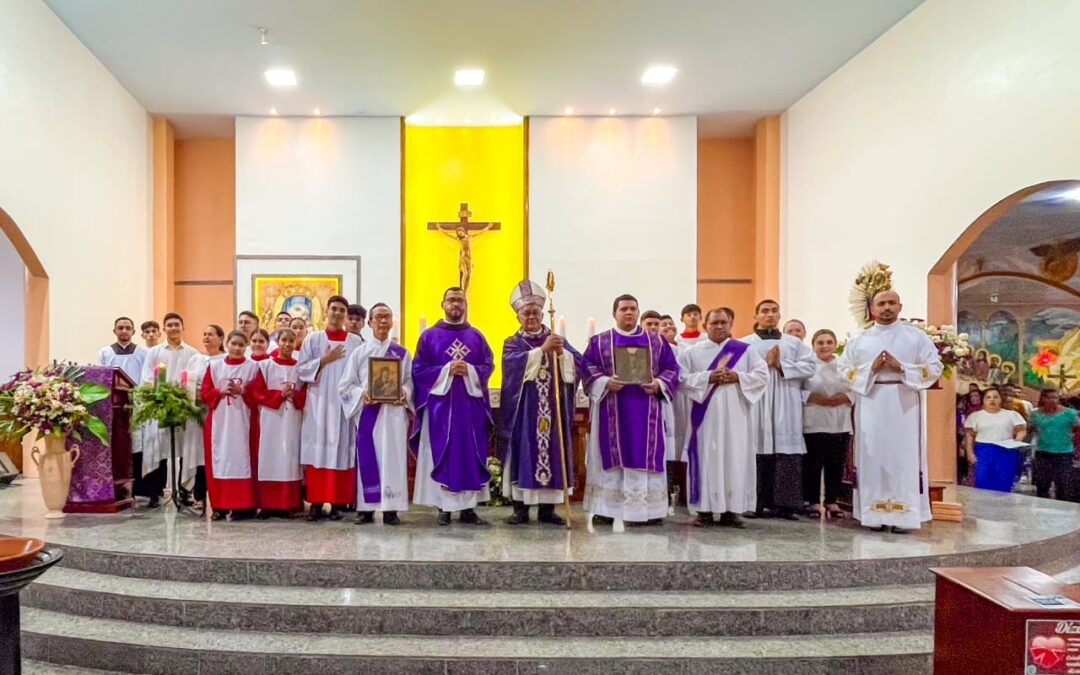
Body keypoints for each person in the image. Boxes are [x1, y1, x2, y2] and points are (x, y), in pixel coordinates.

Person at [838, 290, 943, 533]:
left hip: (904, 403)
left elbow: (934, 367)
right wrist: (870, 368)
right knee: (872, 455)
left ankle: (903, 517)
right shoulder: (860, 339)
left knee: (903, 458)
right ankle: (873, 515)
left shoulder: (916, 337)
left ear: (900, 306)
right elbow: (844, 371)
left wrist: (902, 367)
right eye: (881, 303)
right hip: (871, 401)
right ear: (872, 309)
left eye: (891, 303)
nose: (887, 308)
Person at [582, 294, 679, 529]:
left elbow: (672, 368)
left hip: (646, 409)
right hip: (611, 408)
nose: (628, 313)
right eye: (623, 309)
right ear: (614, 313)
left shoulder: (656, 341)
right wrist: (604, 381)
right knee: (611, 457)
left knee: (644, 454)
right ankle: (606, 510)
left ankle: (649, 510)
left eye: (633, 309)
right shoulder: (600, 341)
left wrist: (659, 384)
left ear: (638, 313)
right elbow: (586, 366)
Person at [499, 280, 581, 526]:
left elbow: (578, 364)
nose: (531, 316)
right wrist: (540, 351)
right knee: (524, 452)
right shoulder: (512, 342)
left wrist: (562, 355)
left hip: (552, 412)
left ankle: (547, 509)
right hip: (524, 411)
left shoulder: (557, 339)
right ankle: (520, 509)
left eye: (535, 312)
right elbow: (511, 368)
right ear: (518, 316)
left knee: (552, 452)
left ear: (542, 314)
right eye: (526, 313)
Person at [411, 287, 495, 526]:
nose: (456, 304)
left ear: (465, 304)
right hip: (440, 409)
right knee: (443, 453)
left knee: (470, 454)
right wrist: (448, 369)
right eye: (451, 300)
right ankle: (443, 508)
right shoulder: (429, 336)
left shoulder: (476, 336)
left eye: (460, 300)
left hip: (469, 409)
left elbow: (488, 365)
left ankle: (468, 509)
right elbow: (418, 370)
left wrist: (468, 369)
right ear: (442, 304)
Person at [681, 307, 768, 528]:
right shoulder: (692, 352)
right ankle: (704, 511)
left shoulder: (745, 351)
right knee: (705, 458)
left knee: (735, 457)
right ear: (705, 325)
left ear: (731, 325)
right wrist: (708, 377)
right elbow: (681, 379)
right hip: (705, 418)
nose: (719, 327)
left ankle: (732, 510)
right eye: (714, 323)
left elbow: (761, 375)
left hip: (736, 416)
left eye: (723, 323)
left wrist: (738, 377)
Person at [741, 300, 816, 520]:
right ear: (756, 316)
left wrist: (782, 365)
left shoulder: (794, 343)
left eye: (774, 311)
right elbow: (738, 371)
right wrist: (765, 364)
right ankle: (755, 503)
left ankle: (786, 505)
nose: (770, 315)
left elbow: (811, 366)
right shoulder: (745, 343)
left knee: (786, 451)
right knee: (757, 449)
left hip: (786, 399)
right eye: (764, 311)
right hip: (758, 400)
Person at [340, 303, 412, 525]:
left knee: (393, 457)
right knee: (369, 457)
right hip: (369, 412)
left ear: (391, 322)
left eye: (387, 317)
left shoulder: (402, 353)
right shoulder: (359, 353)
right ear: (369, 322)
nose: (383, 321)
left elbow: (410, 380)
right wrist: (362, 393)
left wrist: (404, 392)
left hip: (394, 414)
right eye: (378, 317)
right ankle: (366, 508)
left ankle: (392, 508)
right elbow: (345, 385)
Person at [296, 295, 364, 520]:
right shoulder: (313, 339)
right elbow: (301, 370)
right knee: (318, 452)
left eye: (342, 310)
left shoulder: (355, 342)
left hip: (344, 405)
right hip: (319, 403)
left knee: (340, 451)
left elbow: (361, 373)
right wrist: (323, 360)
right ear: (326, 311)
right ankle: (315, 503)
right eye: (334, 309)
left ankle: (335, 503)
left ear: (345, 315)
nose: (337, 313)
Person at [139, 313, 200, 508]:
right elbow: (147, 377)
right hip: (160, 407)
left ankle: (184, 492)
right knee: (158, 449)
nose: (173, 328)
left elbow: (195, 379)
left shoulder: (192, 353)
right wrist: (160, 395)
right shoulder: (155, 352)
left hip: (183, 409)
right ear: (164, 329)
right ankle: (155, 493)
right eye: (169, 325)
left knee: (185, 450)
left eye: (176, 325)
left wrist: (184, 396)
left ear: (183, 327)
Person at [200, 330, 260, 521]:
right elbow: (205, 392)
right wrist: (219, 391)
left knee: (242, 460)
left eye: (241, 345)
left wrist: (242, 390)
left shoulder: (253, 367)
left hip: (243, 421)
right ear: (227, 344)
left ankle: (243, 506)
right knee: (220, 460)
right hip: (220, 422)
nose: (237, 348)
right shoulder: (215, 366)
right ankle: (219, 506)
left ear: (246, 347)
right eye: (234, 344)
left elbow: (258, 393)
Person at [250, 328, 306, 518]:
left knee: (289, 460)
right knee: (270, 457)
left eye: (292, 341)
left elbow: (306, 394)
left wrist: (295, 394)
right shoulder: (265, 366)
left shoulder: (300, 367)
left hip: (292, 419)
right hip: (271, 417)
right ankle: (267, 504)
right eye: (284, 340)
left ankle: (288, 504)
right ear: (278, 341)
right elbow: (256, 392)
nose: (288, 344)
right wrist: (278, 395)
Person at [801, 329, 853, 520]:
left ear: (835, 344)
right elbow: (795, 390)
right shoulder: (806, 366)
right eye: (820, 343)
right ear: (813, 345)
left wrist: (845, 396)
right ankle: (812, 501)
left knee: (835, 464)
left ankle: (832, 500)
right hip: (814, 420)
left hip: (839, 421)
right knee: (812, 464)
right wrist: (811, 396)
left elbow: (857, 386)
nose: (825, 346)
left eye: (829, 342)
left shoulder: (845, 365)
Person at [181, 324, 226, 508]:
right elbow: (186, 381)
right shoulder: (195, 359)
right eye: (204, 334)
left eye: (211, 334)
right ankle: (199, 495)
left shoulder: (225, 359)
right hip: (197, 411)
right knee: (198, 454)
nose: (206, 337)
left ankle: (220, 497)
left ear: (221, 339)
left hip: (217, 411)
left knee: (217, 453)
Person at [964, 386, 1027, 492]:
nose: (992, 400)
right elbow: (970, 435)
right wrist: (970, 452)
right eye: (988, 397)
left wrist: (1017, 441)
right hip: (984, 451)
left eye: (995, 397)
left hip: (1005, 451)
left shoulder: (1011, 415)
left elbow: (1021, 430)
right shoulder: (975, 416)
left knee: (1003, 480)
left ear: (1000, 399)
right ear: (983, 400)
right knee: (982, 480)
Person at [1028, 387, 1079, 500]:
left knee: (1062, 484)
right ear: (1043, 399)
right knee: (1042, 484)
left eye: (1055, 398)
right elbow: (1030, 429)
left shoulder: (1070, 413)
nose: (1052, 400)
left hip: (1064, 453)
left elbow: (1077, 428)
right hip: (1043, 452)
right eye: (1049, 398)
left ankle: (1061, 511)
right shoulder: (1035, 414)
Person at [96, 317, 146, 385]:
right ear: (114, 331)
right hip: (112, 393)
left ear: (133, 332)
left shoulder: (143, 353)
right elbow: (100, 376)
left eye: (128, 328)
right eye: (120, 328)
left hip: (137, 393)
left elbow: (146, 376)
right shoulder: (104, 353)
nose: (124, 331)